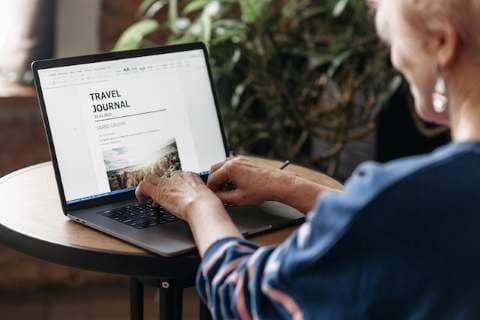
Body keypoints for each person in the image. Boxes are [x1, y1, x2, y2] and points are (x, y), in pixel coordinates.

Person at [136, 0, 480, 318]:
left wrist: (199, 204)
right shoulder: (429, 201)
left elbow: (243, 296)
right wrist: (289, 186)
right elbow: (412, 225)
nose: (394, 58)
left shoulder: (400, 198)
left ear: (441, 43)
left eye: (395, 37)